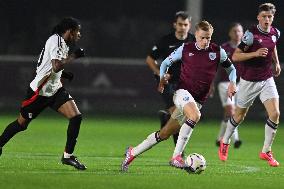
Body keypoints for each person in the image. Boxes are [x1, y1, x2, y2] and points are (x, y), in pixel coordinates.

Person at [121, 20, 237, 171]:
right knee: (195, 116)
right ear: (196, 35)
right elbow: (164, 63)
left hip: (198, 100)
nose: (205, 41)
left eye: (208, 38)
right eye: (202, 37)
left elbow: (232, 69)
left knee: (164, 134)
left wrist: (233, 83)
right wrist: (162, 77)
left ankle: (132, 152)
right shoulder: (185, 48)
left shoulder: (217, 51)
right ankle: (176, 156)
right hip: (182, 93)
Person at [0, 17, 87, 170]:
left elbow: (48, 66)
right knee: (21, 124)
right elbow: (55, 66)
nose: (79, 34)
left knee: (76, 117)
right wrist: (75, 56)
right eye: (77, 31)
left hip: (54, 90)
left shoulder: (62, 43)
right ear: (70, 31)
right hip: (38, 93)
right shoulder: (56, 41)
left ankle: (67, 156)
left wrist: (65, 75)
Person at [218, 3, 281, 167]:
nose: (267, 19)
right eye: (264, 16)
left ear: (273, 17)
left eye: (270, 17)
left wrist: (276, 63)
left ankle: (266, 151)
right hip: (248, 80)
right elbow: (237, 56)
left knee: (275, 114)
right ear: (258, 17)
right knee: (239, 116)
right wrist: (255, 53)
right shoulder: (250, 35)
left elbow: (272, 46)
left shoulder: (275, 33)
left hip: (267, 79)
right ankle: (225, 142)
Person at [145, 11, 195, 153]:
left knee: (181, 117)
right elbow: (149, 59)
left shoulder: (193, 40)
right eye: (180, 24)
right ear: (175, 25)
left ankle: (166, 119)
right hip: (168, 83)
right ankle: (179, 154)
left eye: (185, 24)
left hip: (185, 84)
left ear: (189, 25)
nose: (183, 27)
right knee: (179, 116)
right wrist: (159, 73)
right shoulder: (165, 40)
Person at [215, 23, 244, 148]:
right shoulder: (224, 48)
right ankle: (235, 139)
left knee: (230, 113)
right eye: (234, 31)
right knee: (231, 111)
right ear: (230, 33)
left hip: (241, 84)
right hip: (225, 83)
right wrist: (211, 83)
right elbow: (216, 67)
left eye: (239, 31)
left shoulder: (246, 48)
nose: (237, 33)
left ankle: (219, 138)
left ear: (242, 33)